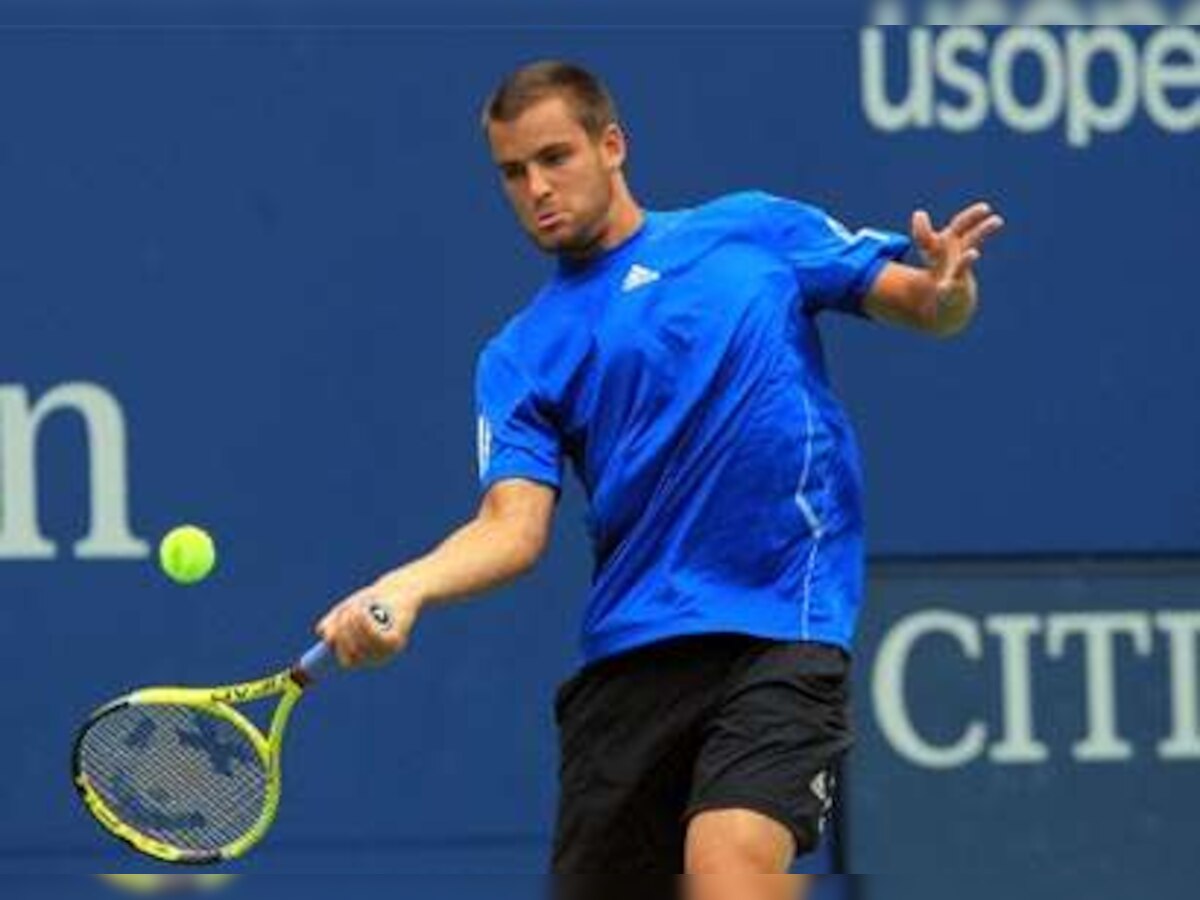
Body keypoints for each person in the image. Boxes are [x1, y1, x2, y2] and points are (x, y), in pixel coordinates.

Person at [317, 60, 1004, 887]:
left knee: (732, 865)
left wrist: (948, 286)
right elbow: (512, 526)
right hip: (631, 663)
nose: (535, 187)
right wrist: (410, 587)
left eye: (554, 157)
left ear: (612, 145)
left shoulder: (750, 232)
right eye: (512, 172)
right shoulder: (520, 354)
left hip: (780, 631)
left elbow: (926, 304)